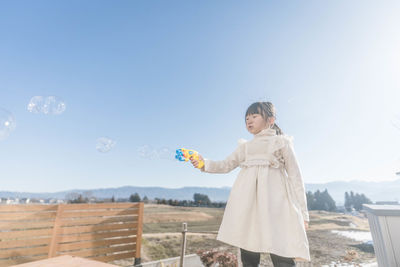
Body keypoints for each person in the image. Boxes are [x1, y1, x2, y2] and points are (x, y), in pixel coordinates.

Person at [190, 102, 310, 267]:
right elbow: (225, 165)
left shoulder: (281, 142)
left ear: (270, 120)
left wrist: (303, 213)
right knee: (248, 253)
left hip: (277, 206)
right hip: (248, 205)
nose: (249, 121)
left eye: (254, 116)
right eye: (247, 118)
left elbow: (296, 177)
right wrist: (204, 164)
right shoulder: (245, 147)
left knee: (282, 251)